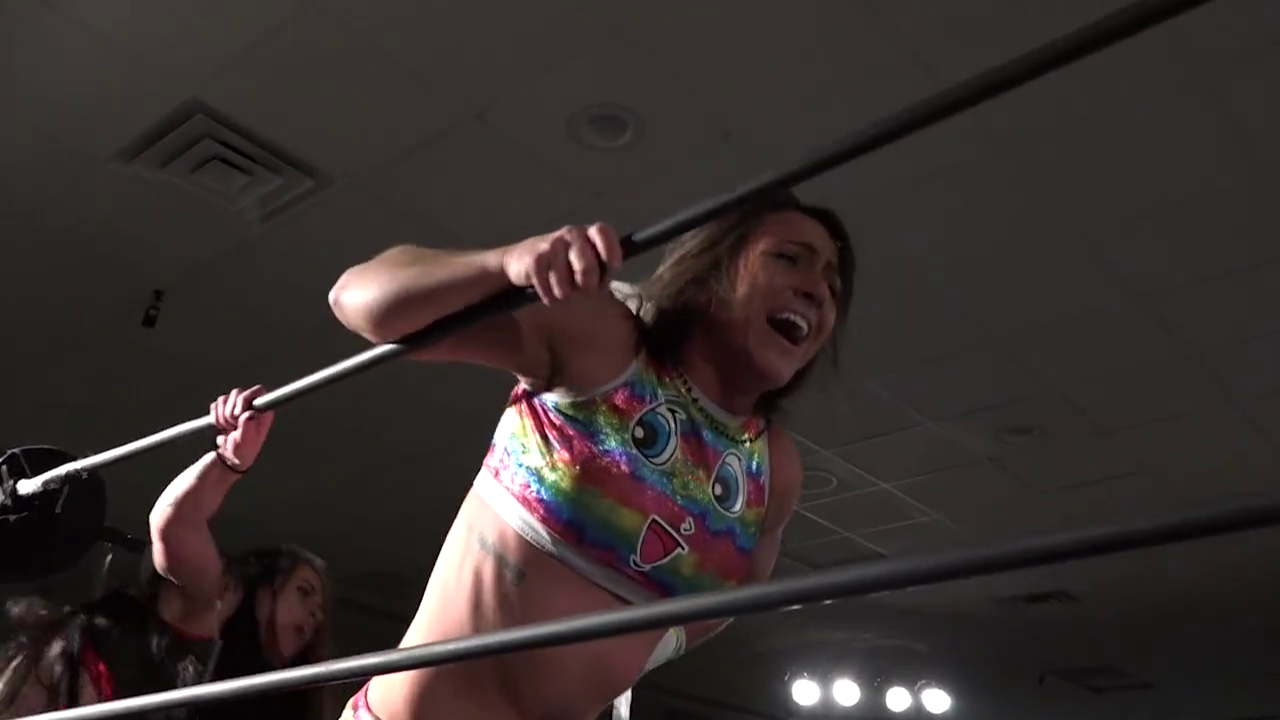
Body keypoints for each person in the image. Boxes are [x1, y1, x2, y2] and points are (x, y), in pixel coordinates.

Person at [328, 190, 855, 720]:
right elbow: (358, 299)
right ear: (714, 267)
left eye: (833, 288)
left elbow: (734, 595)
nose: (817, 291)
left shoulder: (775, 470)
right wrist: (505, 265)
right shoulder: (605, 345)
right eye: (788, 258)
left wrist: (650, 647)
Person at [0, 388, 334, 719]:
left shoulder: (255, 688)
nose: (315, 616)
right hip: (61, 685)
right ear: (263, 585)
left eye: (319, 609)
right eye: (304, 591)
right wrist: (228, 461)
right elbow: (176, 523)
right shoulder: (221, 596)